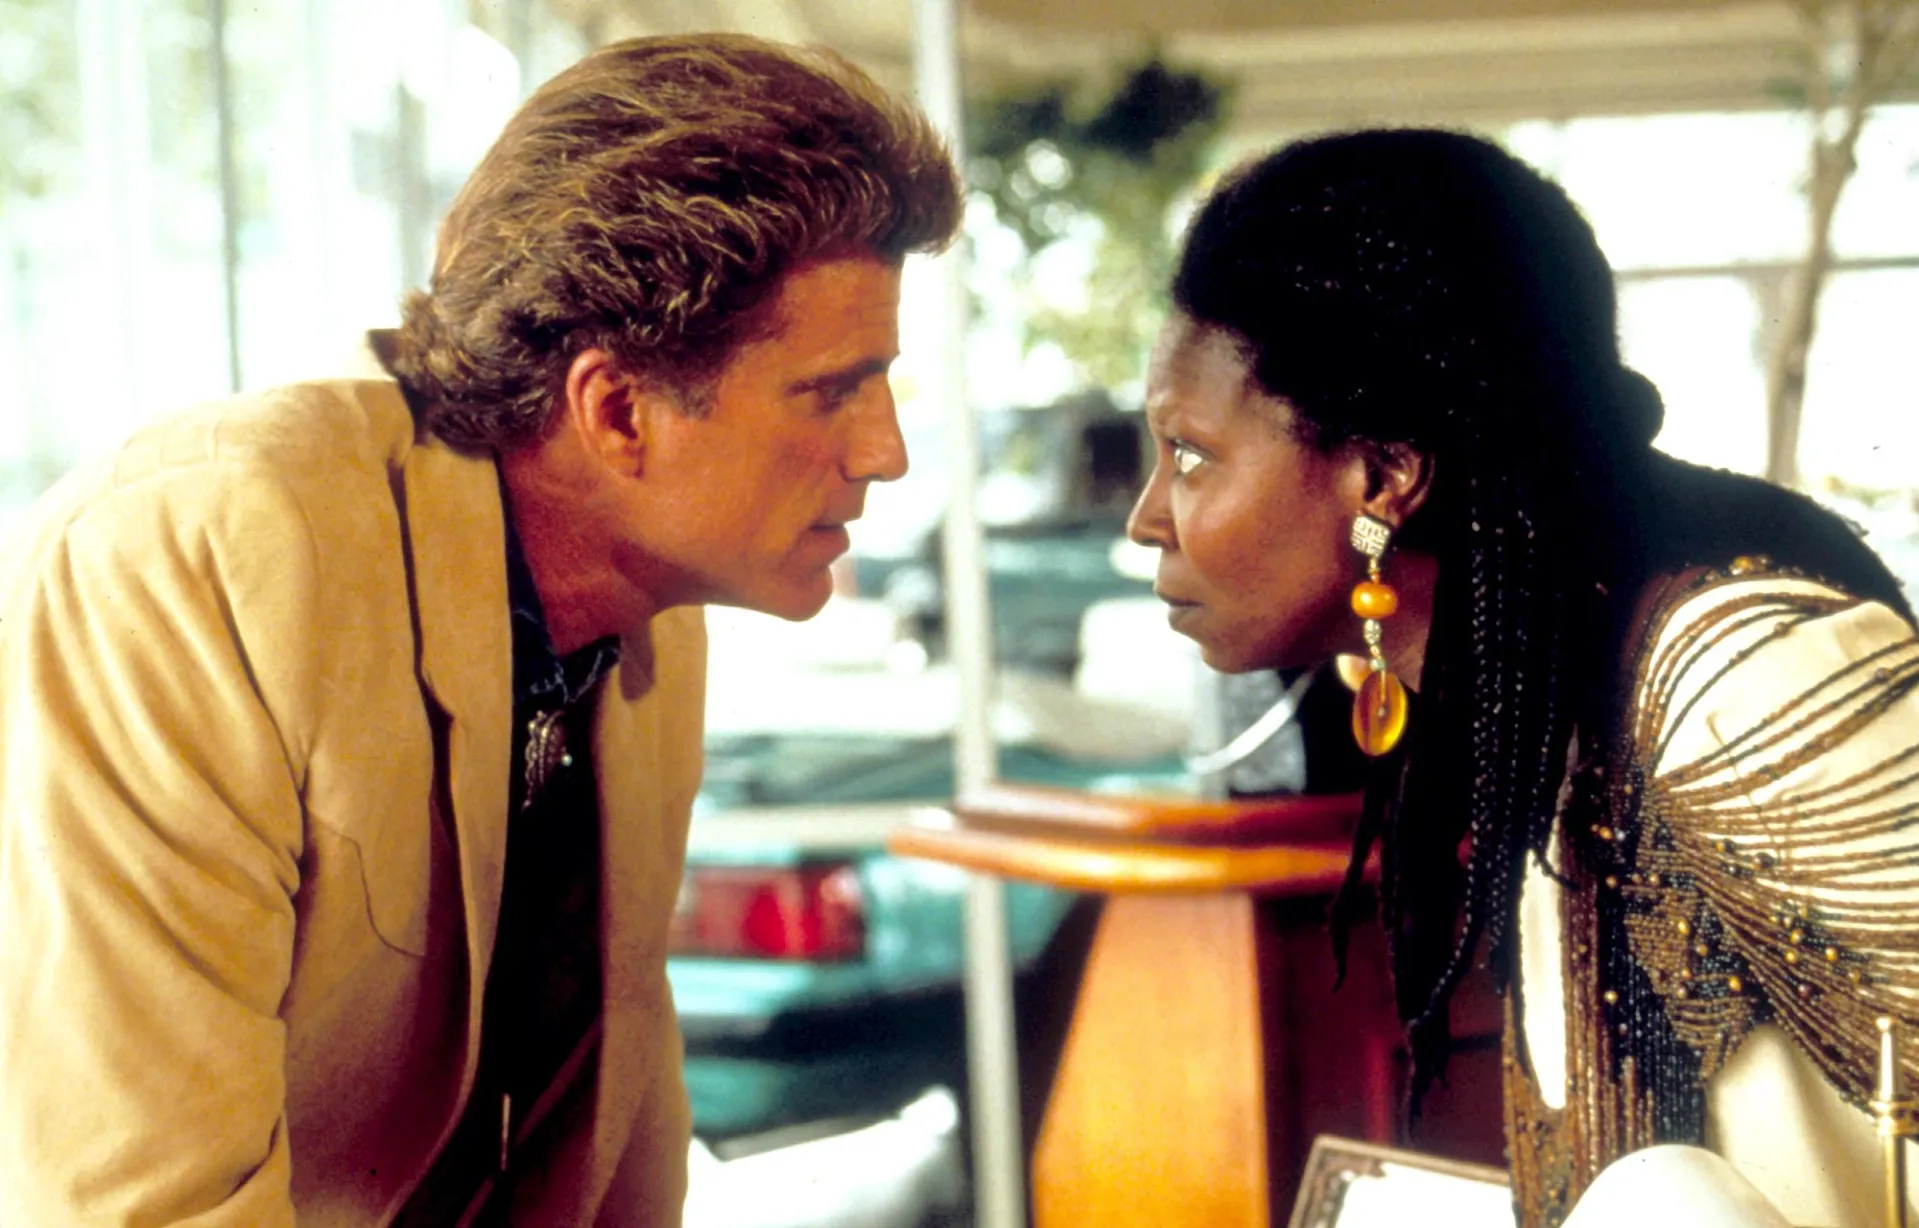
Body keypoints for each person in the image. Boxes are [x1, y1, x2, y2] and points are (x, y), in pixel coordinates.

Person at [0, 33, 960, 1226]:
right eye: (831, 390)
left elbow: (612, 1114)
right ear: (618, 410)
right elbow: (139, 1203)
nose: (885, 451)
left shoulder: (646, 609)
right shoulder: (195, 556)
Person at [1126, 128, 1919, 1226]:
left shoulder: (1740, 683)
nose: (1147, 517)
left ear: (1385, 475)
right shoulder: (1546, 706)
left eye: (1189, 454)